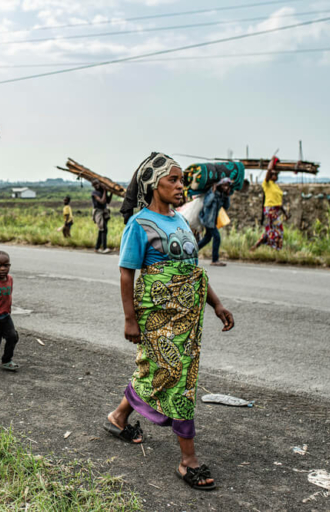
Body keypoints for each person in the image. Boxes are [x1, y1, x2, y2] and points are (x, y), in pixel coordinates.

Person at [105, 152, 234, 491]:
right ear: (153, 185)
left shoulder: (179, 220)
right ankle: (187, 460)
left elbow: (192, 271)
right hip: (157, 314)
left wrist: (217, 304)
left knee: (160, 372)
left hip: (187, 315)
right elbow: (125, 274)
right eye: (173, 180)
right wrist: (129, 318)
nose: (181, 185)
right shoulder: (139, 224)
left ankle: (119, 417)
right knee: (178, 380)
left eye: (181, 180)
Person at [251, 157, 289, 251]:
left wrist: (285, 213)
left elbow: (278, 203)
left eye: (276, 174)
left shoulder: (276, 186)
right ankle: (277, 249)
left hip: (275, 210)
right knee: (279, 229)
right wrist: (272, 161)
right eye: (273, 174)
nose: (275, 176)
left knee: (270, 231)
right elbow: (268, 170)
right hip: (270, 210)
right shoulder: (266, 183)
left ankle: (255, 247)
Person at [197, 177, 232, 267]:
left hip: (213, 220)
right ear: (220, 185)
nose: (226, 187)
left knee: (207, 239)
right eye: (224, 185)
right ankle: (215, 260)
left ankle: (191, 252)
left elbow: (226, 207)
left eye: (227, 186)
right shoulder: (211, 191)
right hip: (208, 219)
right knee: (217, 237)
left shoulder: (223, 195)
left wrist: (227, 196)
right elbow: (206, 203)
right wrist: (212, 192)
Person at [91, 180, 112, 253]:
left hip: (104, 211)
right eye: (95, 184)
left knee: (101, 230)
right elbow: (102, 201)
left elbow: (108, 201)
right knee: (103, 229)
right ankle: (104, 248)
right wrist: (105, 191)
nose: (96, 185)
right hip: (98, 212)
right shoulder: (94, 193)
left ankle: (97, 248)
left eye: (97, 184)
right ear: (93, 186)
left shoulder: (102, 192)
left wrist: (111, 192)